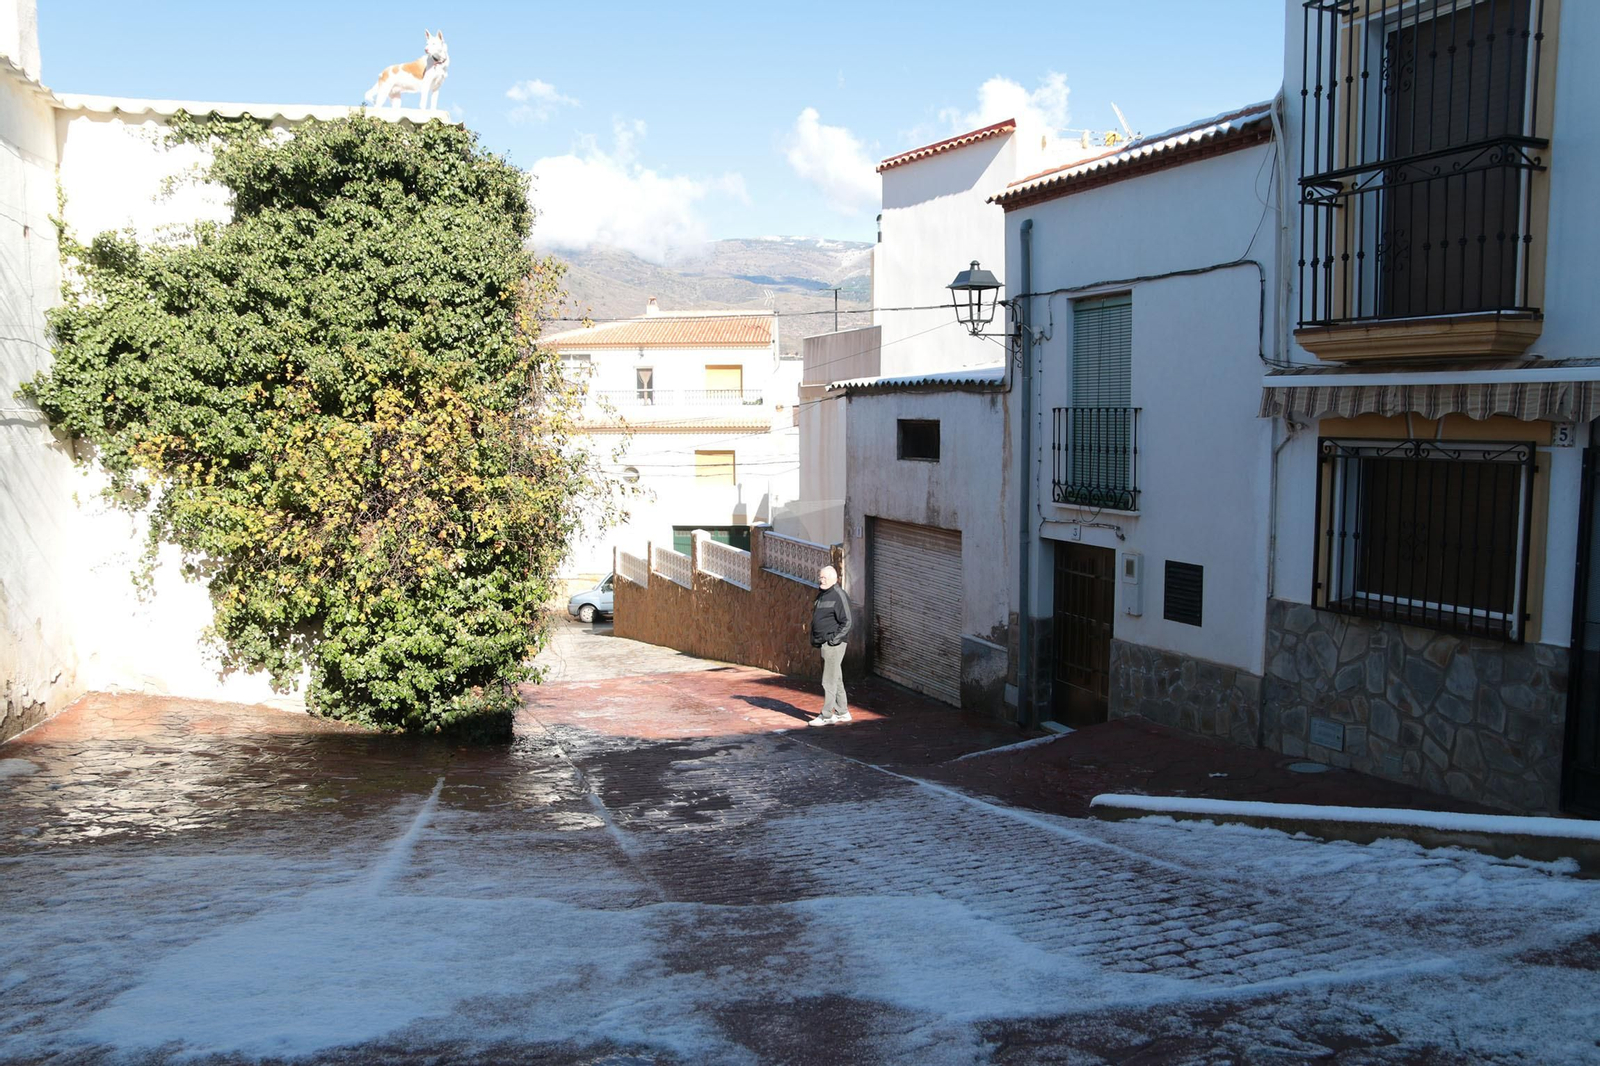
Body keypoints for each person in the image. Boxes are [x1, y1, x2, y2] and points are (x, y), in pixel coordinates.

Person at [809, 565, 853, 726]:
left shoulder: (839, 595)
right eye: (820, 577)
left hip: (833, 645)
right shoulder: (822, 594)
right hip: (824, 644)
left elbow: (847, 621)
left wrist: (833, 640)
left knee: (828, 680)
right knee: (836, 678)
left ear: (834, 579)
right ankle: (843, 712)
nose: (821, 580)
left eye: (824, 577)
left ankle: (827, 715)